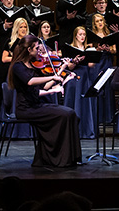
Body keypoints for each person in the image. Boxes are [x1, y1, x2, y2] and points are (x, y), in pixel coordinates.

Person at [8, 34, 81, 167]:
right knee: (63, 114)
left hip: (37, 105)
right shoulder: (18, 67)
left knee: (70, 113)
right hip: (25, 109)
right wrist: (53, 77)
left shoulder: (33, 65)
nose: (40, 52)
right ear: (29, 50)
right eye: (37, 48)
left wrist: (61, 71)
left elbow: (44, 87)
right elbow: (30, 82)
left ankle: (70, 157)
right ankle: (55, 158)